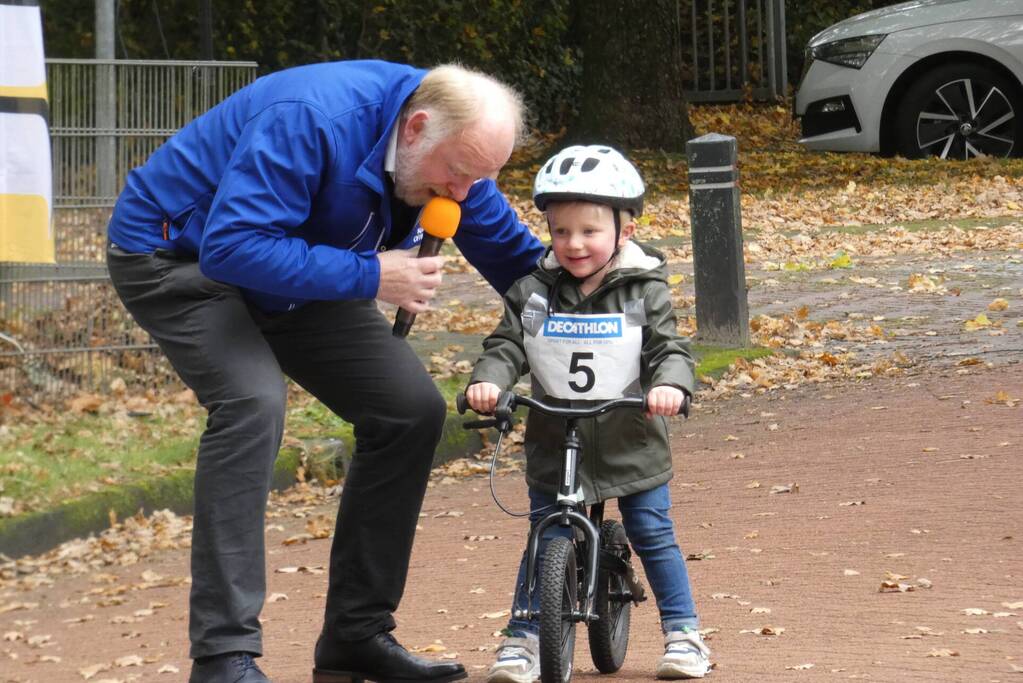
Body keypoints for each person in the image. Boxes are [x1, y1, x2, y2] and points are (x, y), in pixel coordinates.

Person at [105, 60, 545, 683]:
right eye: (461, 174)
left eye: (483, 178)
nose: (466, 193)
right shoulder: (311, 120)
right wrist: (373, 275)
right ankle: (224, 657)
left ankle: (356, 636)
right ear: (415, 128)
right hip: (181, 258)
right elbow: (231, 246)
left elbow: (511, 254)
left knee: (409, 411)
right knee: (252, 404)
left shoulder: (452, 150)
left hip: (296, 263)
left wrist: (593, 298)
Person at [464, 145, 712, 681]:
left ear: (624, 231)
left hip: (630, 437)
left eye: (590, 231)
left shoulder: (644, 290)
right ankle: (523, 639)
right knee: (546, 535)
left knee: (651, 529)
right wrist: (489, 380)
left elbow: (669, 350)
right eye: (560, 231)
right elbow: (507, 346)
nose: (573, 244)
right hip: (556, 442)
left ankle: (684, 633)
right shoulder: (532, 291)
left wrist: (670, 385)